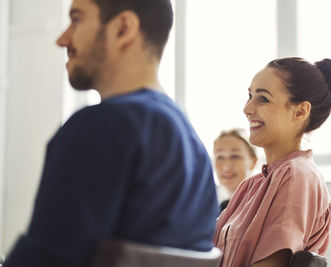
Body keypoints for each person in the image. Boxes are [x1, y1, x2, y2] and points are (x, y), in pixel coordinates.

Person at [4, 0, 218, 266]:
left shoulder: (103, 126)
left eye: (76, 19)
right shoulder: (191, 144)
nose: (62, 39)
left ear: (122, 28)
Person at [213, 57, 331, 267]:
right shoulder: (252, 185)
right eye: (250, 96)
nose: (247, 108)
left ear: (300, 111)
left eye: (263, 99)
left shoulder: (296, 175)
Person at [213, 129, 257, 213]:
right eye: (220, 157)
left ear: (253, 162)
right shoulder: (220, 209)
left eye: (235, 156)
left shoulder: (261, 205)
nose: (226, 166)